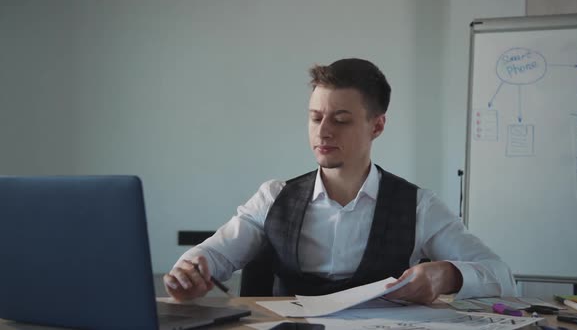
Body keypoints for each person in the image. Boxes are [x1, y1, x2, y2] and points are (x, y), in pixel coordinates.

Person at [164, 58, 517, 304]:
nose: (323, 131)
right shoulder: (273, 198)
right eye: (315, 117)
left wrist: (449, 276)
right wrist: (190, 273)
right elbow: (215, 253)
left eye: (341, 120)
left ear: (377, 125)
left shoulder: (418, 206)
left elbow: (502, 276)